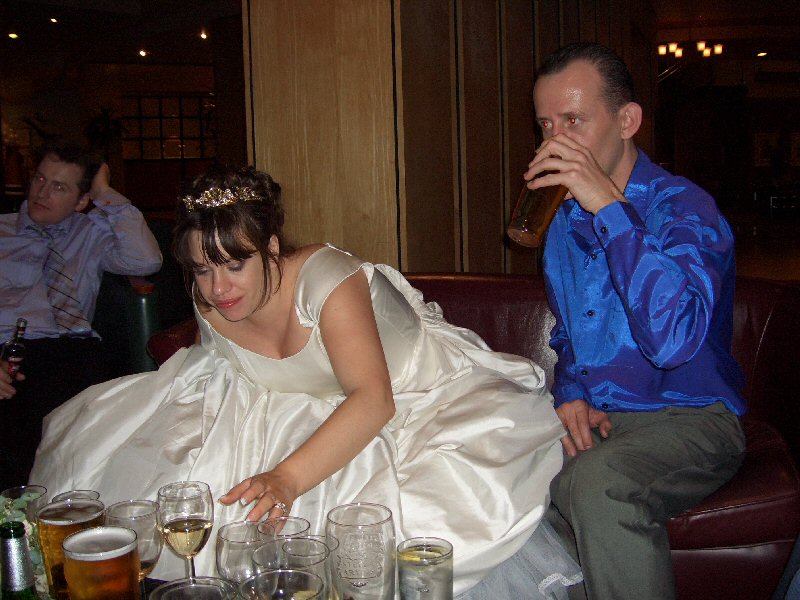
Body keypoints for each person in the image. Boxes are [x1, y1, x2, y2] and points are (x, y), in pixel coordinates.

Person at [30, 164, 582, 597]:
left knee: (413, 520)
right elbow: (223, 371)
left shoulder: (326, 278)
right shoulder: (212, 299)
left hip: (414, 393)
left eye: (235, 264)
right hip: (289, 403)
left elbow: (373, 400)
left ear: (271, 249)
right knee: (160, 478)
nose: (218, 289)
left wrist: (287, 477)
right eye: (202, 268)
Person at [524, 42, 747, 599]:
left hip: (692, 416)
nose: (555, 142)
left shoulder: (686, 208)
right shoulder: (561, 222)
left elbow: (674, 341)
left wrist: (610, 209)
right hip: (607, 419)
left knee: (595, 485)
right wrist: (571, 390)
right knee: (505, 479)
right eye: (547, 125)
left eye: (573, 121)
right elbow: (571, 330)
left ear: (627, 122)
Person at [0, 139, 162, 490]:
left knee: (98, 433)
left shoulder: (92, 233)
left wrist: (105, 192)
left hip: (75, 350)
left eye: (59, 187)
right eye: (40, 179)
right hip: (9, 351)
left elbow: (146, 260)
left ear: (81, 201)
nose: (42, 193)